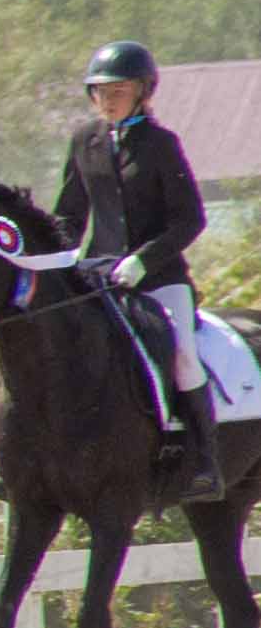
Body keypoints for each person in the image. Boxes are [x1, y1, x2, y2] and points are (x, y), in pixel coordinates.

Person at [55, 40, 222, 503]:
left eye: (119, 90)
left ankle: (205, 461)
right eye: (101, 90)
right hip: (99, 274)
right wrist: (52, 259)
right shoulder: (84, 140)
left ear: (143, 91)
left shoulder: (161, 145)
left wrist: (143, 259)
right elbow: (69, 216)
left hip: (159, 277)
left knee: (182, 353)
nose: (108, 99)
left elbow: (190, 219)